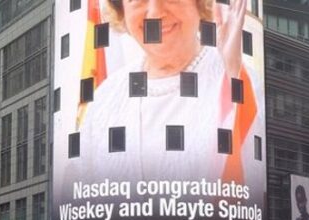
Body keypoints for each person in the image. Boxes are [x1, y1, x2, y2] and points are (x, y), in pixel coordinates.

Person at [73, 0, 264, 186]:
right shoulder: (105, 99)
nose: (156, 13)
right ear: (121, 9)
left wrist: (233, 78)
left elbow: (251, 186)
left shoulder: (236, 79)